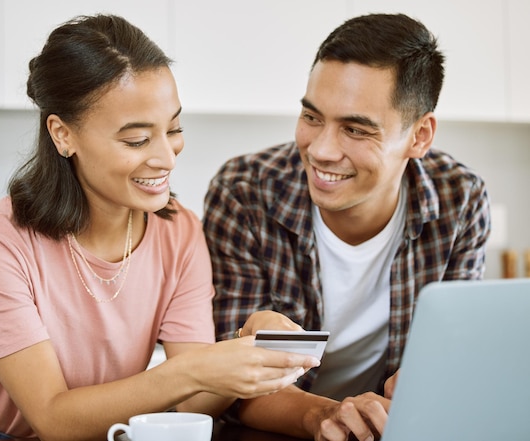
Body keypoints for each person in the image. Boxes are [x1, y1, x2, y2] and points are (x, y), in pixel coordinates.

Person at [0, 14, 321, 441]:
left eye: (174, 129)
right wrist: (194, 369)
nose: (166, 156)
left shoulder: (179, 233)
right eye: (137, 140)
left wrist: (243, 347)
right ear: (63, 134)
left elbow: (196, 400)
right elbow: (53, 418)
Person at [203, 12, 491, 441]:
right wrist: (328, 417)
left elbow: (451, 362)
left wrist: (428, 383)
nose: (320, 150)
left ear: (420, 136)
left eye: (355, 130)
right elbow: (229, 385)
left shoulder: (459, 200)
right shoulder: (244, 192)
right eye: (312, 117)